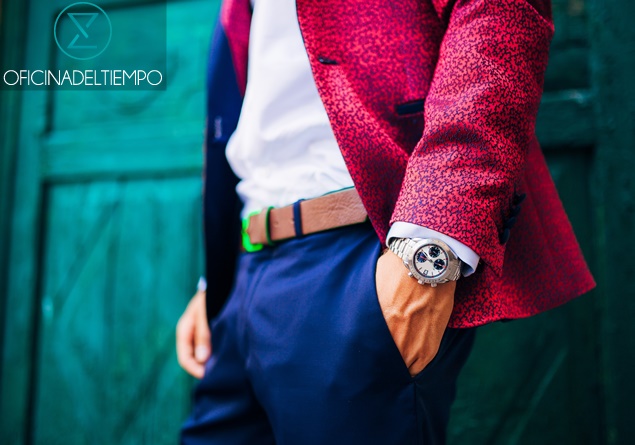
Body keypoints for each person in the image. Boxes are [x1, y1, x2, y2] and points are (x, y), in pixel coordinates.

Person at [177, 0, 595, 443]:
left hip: (364, 258)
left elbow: (499, 12)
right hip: (246, 272)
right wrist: (215, 282)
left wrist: (434, 245)